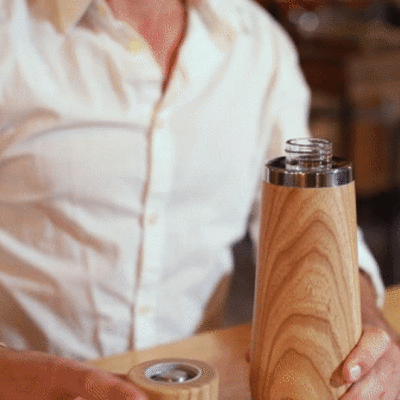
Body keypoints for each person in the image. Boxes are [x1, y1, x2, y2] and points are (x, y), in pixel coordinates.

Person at [0, 0, 399, 398]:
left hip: (197, 385)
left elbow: (310, 223)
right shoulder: (10, 30)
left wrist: (365, 323)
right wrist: (18, 375)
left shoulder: (259, 42)